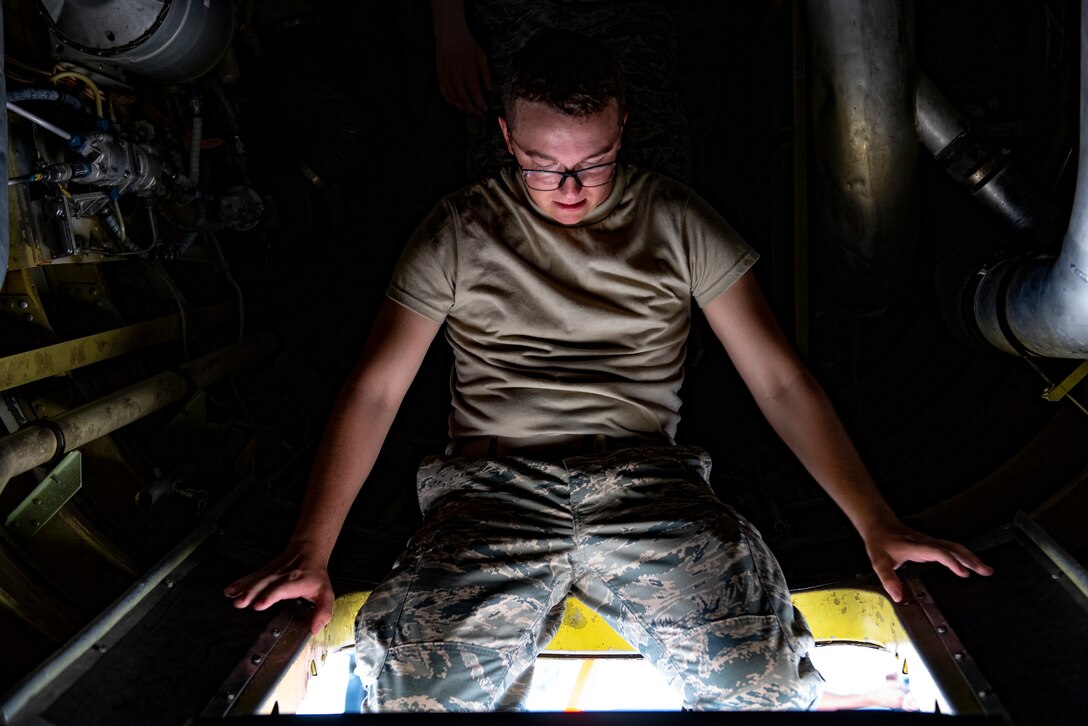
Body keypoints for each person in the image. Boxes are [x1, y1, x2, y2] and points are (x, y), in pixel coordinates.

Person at [224, 29, 992, 712]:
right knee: (421, 694)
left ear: (622, 129)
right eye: (543, 165)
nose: (570, 189)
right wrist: (311, 546)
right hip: (493, 496)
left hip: (649, 489)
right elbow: (376, 390)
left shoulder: (678, 221)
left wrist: (876, 522)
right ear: (505, 137)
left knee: (757, 685)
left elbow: (781, 382)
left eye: (593, 162)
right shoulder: (458, 231)